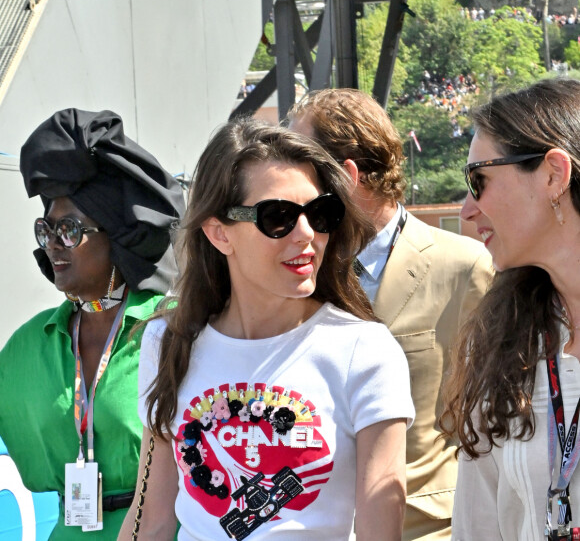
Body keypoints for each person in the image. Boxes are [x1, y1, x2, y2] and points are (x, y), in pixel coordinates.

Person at [118, 118, 415, 540]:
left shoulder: (363, 350)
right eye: (279, 217)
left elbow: (379, 530)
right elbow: (151, 517)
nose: (307, 235)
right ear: (219, 232)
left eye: (319, 213)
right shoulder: (167, 342)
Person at [287, 88, 493, 541]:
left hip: (427, 529)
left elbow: (485, 424)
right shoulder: (292, 269)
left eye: (301, 167)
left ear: (346, 176)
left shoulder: (464, 267)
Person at [0, 108, 185, 539]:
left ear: (117, 236)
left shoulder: (172, 334)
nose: (52, 245)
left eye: (69, 230)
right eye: (46, 230)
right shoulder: (28, 346)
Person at [441, 78, 580, 540]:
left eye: (478, 181)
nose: (467, 210)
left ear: (553, 175)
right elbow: (478, 524)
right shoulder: (504, 338)